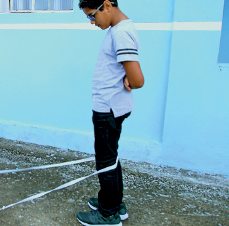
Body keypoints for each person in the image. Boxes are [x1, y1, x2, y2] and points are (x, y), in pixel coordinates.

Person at [76, 0, 145, 225]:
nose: (92, 22)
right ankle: (114, 202)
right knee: (110, 158)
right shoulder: (118, 29)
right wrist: (125, 77)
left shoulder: (122, 32)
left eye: (92, 15)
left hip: (109, 108)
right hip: (109, 106)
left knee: (105, 161)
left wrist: (129, 79)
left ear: (107, 5)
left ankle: (108, 213)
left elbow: (138, 80)